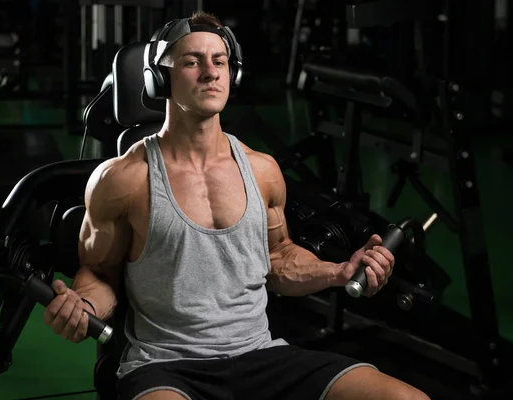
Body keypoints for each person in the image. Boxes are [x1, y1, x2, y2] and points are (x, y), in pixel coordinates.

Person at [44, 10, 430, 400]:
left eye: (220, 61)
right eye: (192, 61)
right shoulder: (123, 179)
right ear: (159, 78)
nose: (210, 72)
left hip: (260, 356)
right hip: (166, 368)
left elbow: (278, 258)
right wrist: (83, 305)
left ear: (234, 74)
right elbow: (100, 272)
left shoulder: (262, 170)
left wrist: (339, 271)